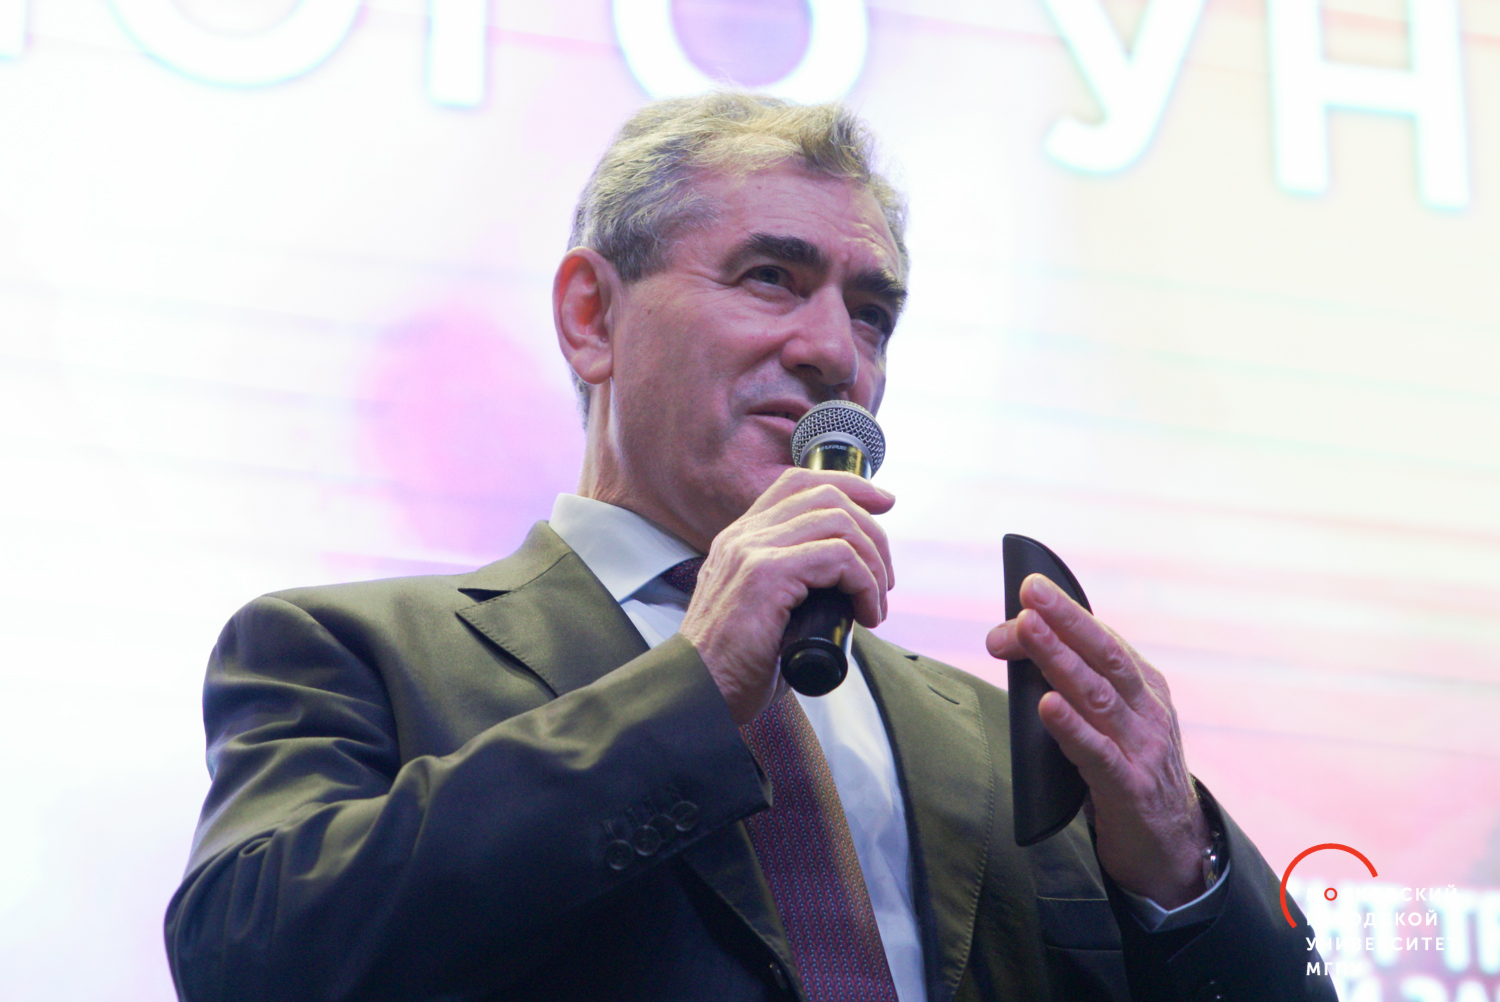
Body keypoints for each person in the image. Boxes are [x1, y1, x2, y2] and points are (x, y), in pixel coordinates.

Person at [165, 93, 1335, 1001]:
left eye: (872, 312)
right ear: (592, 317)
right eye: (771, 277)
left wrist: (1182, 871)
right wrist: (695, 688)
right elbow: (251, 959)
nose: (836, 351)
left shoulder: (999, 738)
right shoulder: (350, 652)